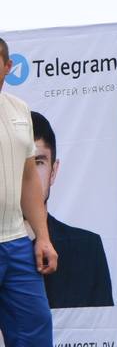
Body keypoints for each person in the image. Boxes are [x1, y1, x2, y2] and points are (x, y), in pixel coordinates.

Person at [0, 38, 56, 347]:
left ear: (8, 67)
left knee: (35, 331)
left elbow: (28, 179)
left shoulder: (20, 109)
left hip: (17, 242)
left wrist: (43, 237)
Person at [26, 112, 109, 308]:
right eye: (19, 163)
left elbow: (103, 329)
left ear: (53, 171)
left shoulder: (87, 248)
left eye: (38, 162)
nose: (28, 177)